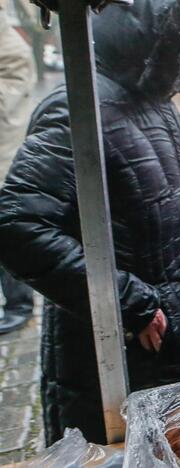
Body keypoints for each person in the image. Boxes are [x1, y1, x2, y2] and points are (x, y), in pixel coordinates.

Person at [0, 0, 180, 445]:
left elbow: (138, 206)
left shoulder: (155, 105)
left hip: (172, 338)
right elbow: (17, 225)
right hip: (117, 354)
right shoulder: (76, 108)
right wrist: (125, 301)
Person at [0, 1, 36, 334]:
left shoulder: (4, 32)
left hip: (3, 144)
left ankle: (19, 303)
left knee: (5, 224)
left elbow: (19, 72)